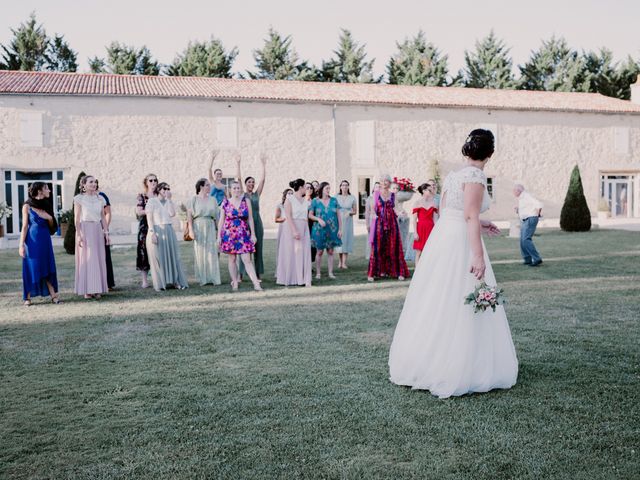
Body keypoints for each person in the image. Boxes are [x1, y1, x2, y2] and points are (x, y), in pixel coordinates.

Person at [389, 129, 518, 399]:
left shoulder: (453, 176)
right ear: (490, 154)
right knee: (460, 295)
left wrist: (481, 223)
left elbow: (452, 213)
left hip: (443, 240)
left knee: (439, 298)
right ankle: (461, 365)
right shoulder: (475, 176)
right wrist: (478, 255)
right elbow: (468, 216)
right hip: (459, 242)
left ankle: (426, 359)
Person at [19, 182, 60, 305]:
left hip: (45, 241)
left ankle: (54, 295)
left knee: (47, 265)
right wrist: (21, 245)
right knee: (32, 267)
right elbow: (25, 226)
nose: (49, 190)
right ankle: (27, 298)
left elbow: (52, 228)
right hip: (31, 241)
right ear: (39, 191)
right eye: (47, 188)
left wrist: (50, 218)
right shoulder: (27, 206)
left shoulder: (47, 205)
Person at [218, 181, 262, 291]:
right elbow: (221, 220)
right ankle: (235, 282)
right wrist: (219, 236)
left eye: (238, 188)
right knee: (232, 259)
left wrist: (253, 234)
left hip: (243, 233)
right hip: (229, 233)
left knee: (247, 259)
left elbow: (250, 218)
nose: (237, 190)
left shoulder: (246, 201)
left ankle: (256, 284)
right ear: (230, 190)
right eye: (234, 188)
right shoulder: (225, 202)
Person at [146, 182, 189, 291]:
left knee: (172, 256)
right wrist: (152, 233)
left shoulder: (169, 202)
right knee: (160, 256)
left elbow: (172, 214)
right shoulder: (152, 201)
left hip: (169, 230)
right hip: (157, 229)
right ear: (159, 189)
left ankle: (175, 281)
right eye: (164, 188)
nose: (166, 190)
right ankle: (162, 283)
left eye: (168, 188)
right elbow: (149, 218)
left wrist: (169, 200)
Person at [367, 175, 410, 282]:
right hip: (379, 223)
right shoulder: (376, 194)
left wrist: (401, 213)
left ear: (389, 183)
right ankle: (373, 273)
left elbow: (395, 208)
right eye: (383, 181)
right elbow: (372, 209)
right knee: (378, 247)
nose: (385, 183)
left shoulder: (393, 195)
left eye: (387, 181)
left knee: (393, 246)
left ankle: (398, 272)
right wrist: (373, 216)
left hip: (392, 223)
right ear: (380, 182)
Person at [74, 175, 109, 299]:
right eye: (91, 182)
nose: (94, 184)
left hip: (97, 230)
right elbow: (77, 219)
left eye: (95, 182)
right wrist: (79, 235)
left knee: (98, 259)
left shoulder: (100, 199)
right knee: (88, 259)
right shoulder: (79, 199)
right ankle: (87, 290)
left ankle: (97, 288)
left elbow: (103, 218)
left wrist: (106, 233)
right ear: (83, 185)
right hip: (85, 230)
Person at [277, 179, 312, 287]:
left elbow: (306, 217)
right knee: (292, 252)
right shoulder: (290, 199)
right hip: (291, 227)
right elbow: (288, 216)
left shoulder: (306, 201)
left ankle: (304, 279)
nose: (307, 189)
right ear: (300, 187)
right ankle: (291, 278)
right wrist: (294, 231)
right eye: (305, 187)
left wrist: (306, 230)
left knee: (304, 252)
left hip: (304, 227)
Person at [237, 153, 267, 279]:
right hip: (245, 223)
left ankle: (258, 274)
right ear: (245, 184)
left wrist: (263, 165)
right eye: (249, 182)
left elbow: (263, 180)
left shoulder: (256, 194)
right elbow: (238, 179)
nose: (251, 183)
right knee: (244, 248)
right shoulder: (242, 194)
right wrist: (238, 163)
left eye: (253, 182)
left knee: (258, 248)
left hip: (257, 222)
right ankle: (241, 274)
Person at [187, 178, 221, 286]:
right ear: (201, 187)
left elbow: (217, 217)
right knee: (200, 252)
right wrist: (191, 230)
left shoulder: (213, 200)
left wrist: (219, 231)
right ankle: (203, 278)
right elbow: (189, 217)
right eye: (207, 185)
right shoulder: (193, 200)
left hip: (210, 226)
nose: (209, 187)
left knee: (212, 252)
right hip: (198, 226)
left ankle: (213, 278)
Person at [309, 182, 342, 279]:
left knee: (331, 251)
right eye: (327, 188)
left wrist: (340, 229)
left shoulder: (334, 201)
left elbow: (339, 216)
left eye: (329, 188)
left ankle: (330, 273)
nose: (328, 190)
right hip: (319, 230)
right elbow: (310, 215)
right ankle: (318, 273)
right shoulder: (315, 201)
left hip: (332, 229)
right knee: (319, 252)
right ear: (321, 189)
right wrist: (318, 219)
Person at [513, 184, 543, 267]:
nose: (513, 192)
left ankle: (537, 259)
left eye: (514, 190)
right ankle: (527, 259)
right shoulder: (522, 198)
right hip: (526, 220)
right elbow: (527, 209)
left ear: (519, 190)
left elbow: (539, 204)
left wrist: (537, 214)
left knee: (526, 239)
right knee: (522, 240)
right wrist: (518, 210)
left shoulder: (526, 196)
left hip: (530, 219)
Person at [136, 174, 157, 288]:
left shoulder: (159, 194)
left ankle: (158, 277)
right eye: (151, 180)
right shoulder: (142, 196)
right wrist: (150, 211)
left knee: (158, 251)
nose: (153, 182)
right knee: (144, 251)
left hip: (158, 225)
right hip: (145, 226)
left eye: (155, 180)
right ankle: (144, 280)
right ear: (146, 182)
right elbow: (139, 211)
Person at [412, 181, 439, 265]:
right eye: (429, 190)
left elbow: (435, 219)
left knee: (430, 251)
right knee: (419, 252)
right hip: (420, 228)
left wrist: (437, 231)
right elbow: (414, 219)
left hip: (430, 229)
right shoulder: (417, 203)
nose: (431, 192)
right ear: (423, 191)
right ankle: (417, 272)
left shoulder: (434, 203)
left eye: (431, 190)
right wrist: (415, 232)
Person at [96, 179, 115, 290]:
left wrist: (105, 229)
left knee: (105, 256)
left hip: (101, 228)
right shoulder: (82, 197)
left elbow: (108, 213)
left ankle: (108, 283)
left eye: (95, 183)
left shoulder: (102, 196)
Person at [335, 180, 357, 269]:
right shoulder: (336, 197)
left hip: (348, 221)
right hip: (338, 220)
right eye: (343, 185)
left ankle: (344, 262)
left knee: (346, 240)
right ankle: (339, 262)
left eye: (346, 185)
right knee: (339, 239)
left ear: (348, 187)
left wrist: (350, 213)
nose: (344, 187)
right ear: (340, 187)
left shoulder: (352, 197)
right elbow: (333, 209)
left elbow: (355, 211)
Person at [274, 188, 293, 273]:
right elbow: (276, 219)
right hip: (284, 228)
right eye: (288, 193)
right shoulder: (280, 205)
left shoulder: (295, 205)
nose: (290, 195)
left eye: (292, 193)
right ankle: (282, 270)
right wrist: (285, 219)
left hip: (293, 229)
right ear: (285, 195)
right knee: (283, 250)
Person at [364, 181, 380, 259]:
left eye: (379, 187)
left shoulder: (382, 198)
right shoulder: (369, 199)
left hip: (381, 220)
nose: (377, 188)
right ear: (373, 188)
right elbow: (367, 212)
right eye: (376, 186)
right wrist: (367, 224)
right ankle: (371, 254)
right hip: (372, 220)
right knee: (371, 238)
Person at [305, 182, 317, 263]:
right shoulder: (301, 201)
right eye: (307, 188)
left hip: (314, 225)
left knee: (313, 246)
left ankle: (310, 265)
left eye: (311, 188)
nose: (309, 189)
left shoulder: (315, 201)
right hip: (304, 225)